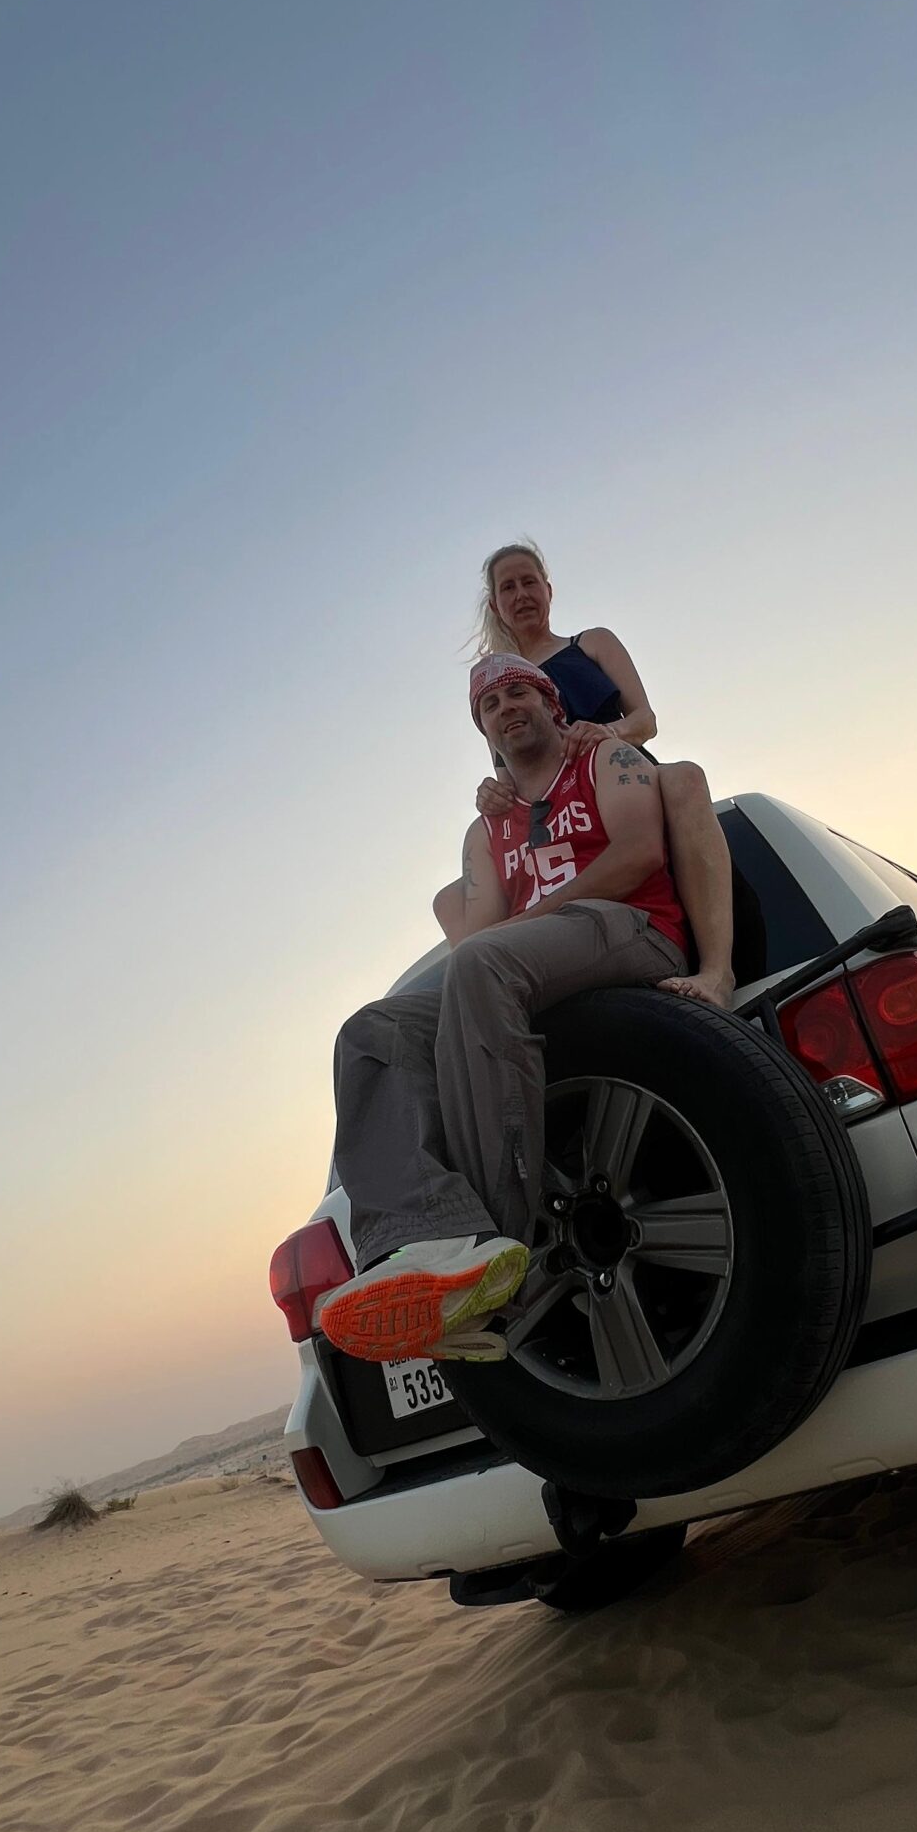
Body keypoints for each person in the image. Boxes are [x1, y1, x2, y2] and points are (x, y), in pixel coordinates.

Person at [319, 653, 689, 1367]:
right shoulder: (487, 829)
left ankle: (488, 1248)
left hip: (633, 931)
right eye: (490, 705)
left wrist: (522, 927)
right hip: (535, 973)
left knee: (483, 962)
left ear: (551, 702)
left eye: (519, 691)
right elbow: (481, 935)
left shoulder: (604, 759)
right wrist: (476, 918)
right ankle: (424, 1240)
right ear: (484, 731)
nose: (506, 707)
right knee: (372, 1032)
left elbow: (640, 853)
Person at [432, 541, 738, 1010]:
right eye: (508, 587)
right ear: (495, 605)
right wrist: (490, 793)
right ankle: (500, 997)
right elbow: (506, 773)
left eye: (529, 582)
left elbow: (646, 719)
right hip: (554, 809)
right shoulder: (498, 689)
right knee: (451, 898)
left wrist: (606, 733)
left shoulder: (590, 643)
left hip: (616, 780)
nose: (521, 594)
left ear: (548, 590)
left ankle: (717, 970)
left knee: (684, 779)